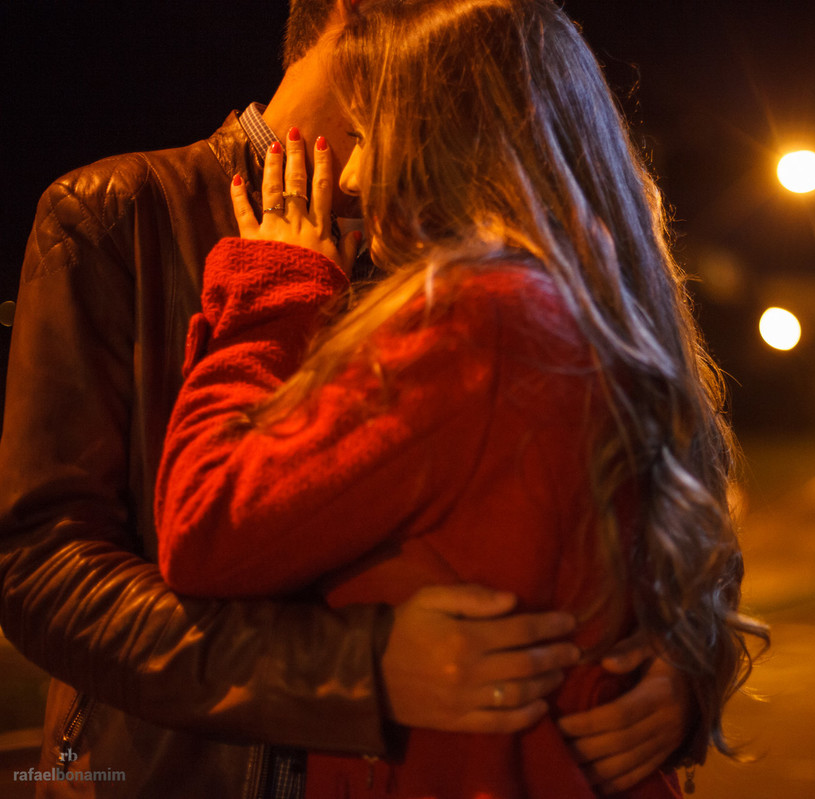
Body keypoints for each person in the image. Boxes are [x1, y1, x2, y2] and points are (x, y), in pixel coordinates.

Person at [0, 1, 692, 796]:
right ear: (357, 18)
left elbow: (655, 496)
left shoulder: (467, 247)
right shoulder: (121, 210)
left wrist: (675, 665)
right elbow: (39, 567)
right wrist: (357, 670)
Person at [154, 0, 768, 796]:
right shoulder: (595, 306)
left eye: (371, 135)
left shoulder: (476, 321)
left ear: (447, 140)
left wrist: (271, 295)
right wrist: (691, 661)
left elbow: (207, 521)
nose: (347, 174)